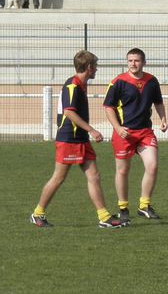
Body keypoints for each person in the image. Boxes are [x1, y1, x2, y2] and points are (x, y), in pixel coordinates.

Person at [29, 50, 125, 229]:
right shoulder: (72, 85)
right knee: (58, 178)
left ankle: (103, 216)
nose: (96, 69)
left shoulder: (80, 84)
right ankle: (37, 213)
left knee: (94, 176)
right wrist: (92, 130)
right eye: (95, 66)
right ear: (89, 67)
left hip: (80, 139)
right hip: (69, 139)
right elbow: (69, 112)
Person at [103, 48, 168, 222]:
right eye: (130, 60)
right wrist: (117, 128)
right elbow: (108, 107)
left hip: (145, 132)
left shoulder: (152, 81)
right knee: (123, 170)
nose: (133, 63)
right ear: (127, 62)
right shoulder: (118, 81)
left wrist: (163, 118)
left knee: (152, 166)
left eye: (137, 60)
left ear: (144, 62)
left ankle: (144, 205)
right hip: (124, 133)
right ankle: (123, 207)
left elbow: (158, 102)